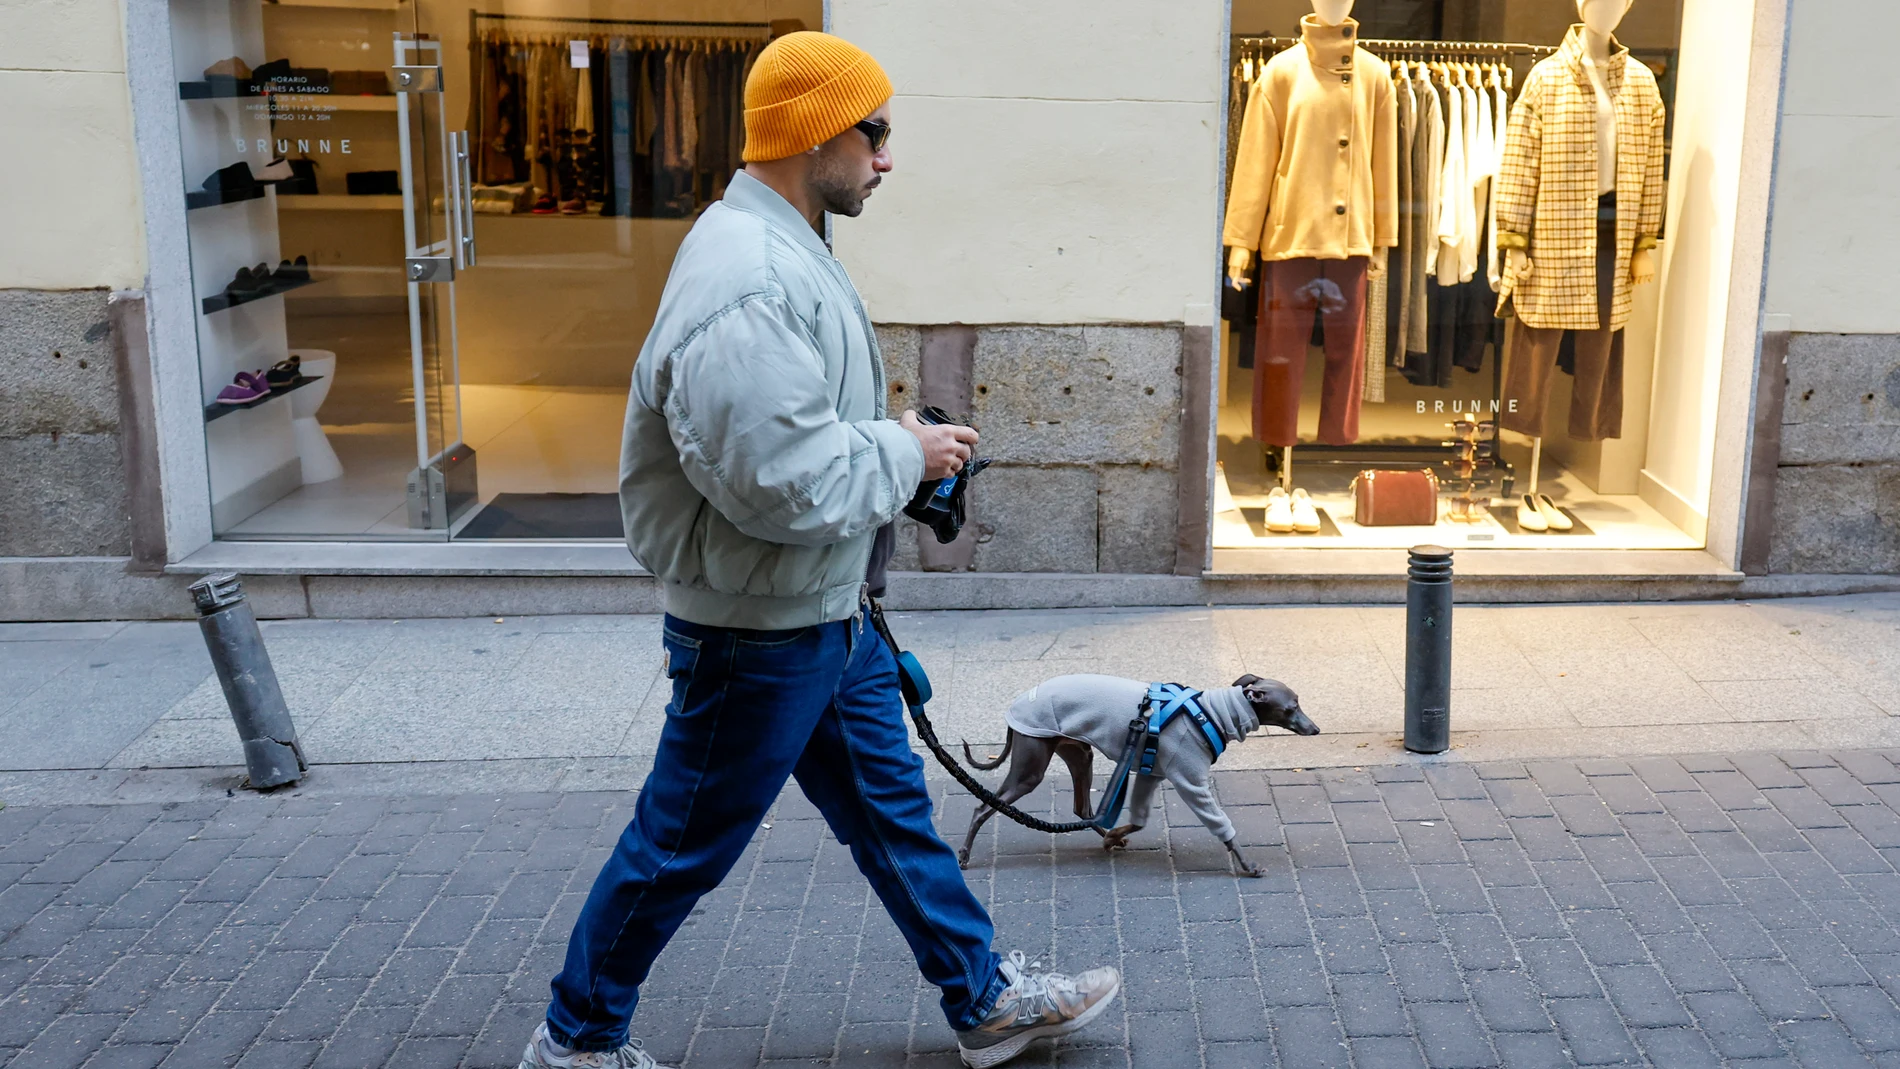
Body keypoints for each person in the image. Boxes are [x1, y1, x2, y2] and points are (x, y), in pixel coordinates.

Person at [517, 31, 1121, 1069]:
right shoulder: (747, 280)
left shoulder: (780, 247)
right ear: (812, 134)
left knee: (892, 819)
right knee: (678, 846)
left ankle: (982, 1000)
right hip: (758, 634)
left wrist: (892, 453)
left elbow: (787, 445)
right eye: (872, 132)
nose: (886, 157)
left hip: (815, 614)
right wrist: (906, 447)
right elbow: (781, 483)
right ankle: (574, 1041)